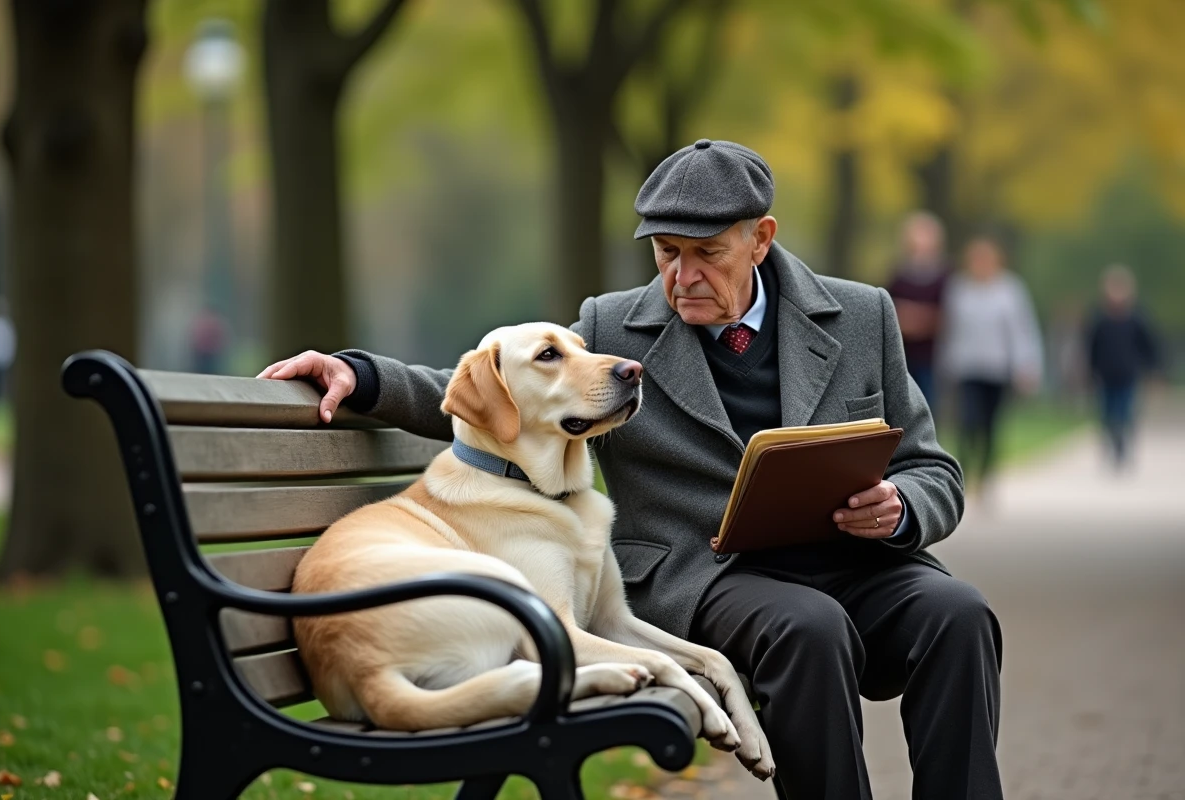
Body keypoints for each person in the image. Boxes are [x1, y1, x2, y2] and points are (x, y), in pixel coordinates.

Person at [259, 140, 1001, 800]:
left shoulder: (862, 314)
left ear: (760, 239)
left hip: (856, 561)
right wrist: (362, 376)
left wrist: (900, 507)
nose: (681, 277)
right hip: (715, 577)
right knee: (810, 628)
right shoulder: (613, 328)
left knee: (959, 616)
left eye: (705, 253)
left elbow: (933, 470)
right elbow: (506, 382)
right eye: (665, 252)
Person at [940, 235, 1043, 492]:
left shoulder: (1010, 290)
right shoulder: (959, 289)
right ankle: (963, 473)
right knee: (967, 422)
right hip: (967, 368)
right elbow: (949, 330)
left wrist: (1027, 366)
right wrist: (945, 364)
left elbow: (1022, 331)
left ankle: (986, 475)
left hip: (997, 370)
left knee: (990, 426)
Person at [1085, 265, 1161, 469]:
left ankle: (1122, 445)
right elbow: (1091, 347)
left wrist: (1153, 369)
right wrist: (1089, 371)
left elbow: (1149, 346)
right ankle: (1111, 442)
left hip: (1128, 374)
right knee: (1107, 414)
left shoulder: (1137, 319)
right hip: (1105, 374)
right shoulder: (1099, 319)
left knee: (1125, 412)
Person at [885, 211, 951, 412]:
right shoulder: (899, 274)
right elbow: (889, 307)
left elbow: (947, 314)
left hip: (933, 355)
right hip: (903, 353)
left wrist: (916, 317)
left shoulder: (945, 276)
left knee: (928, 402)